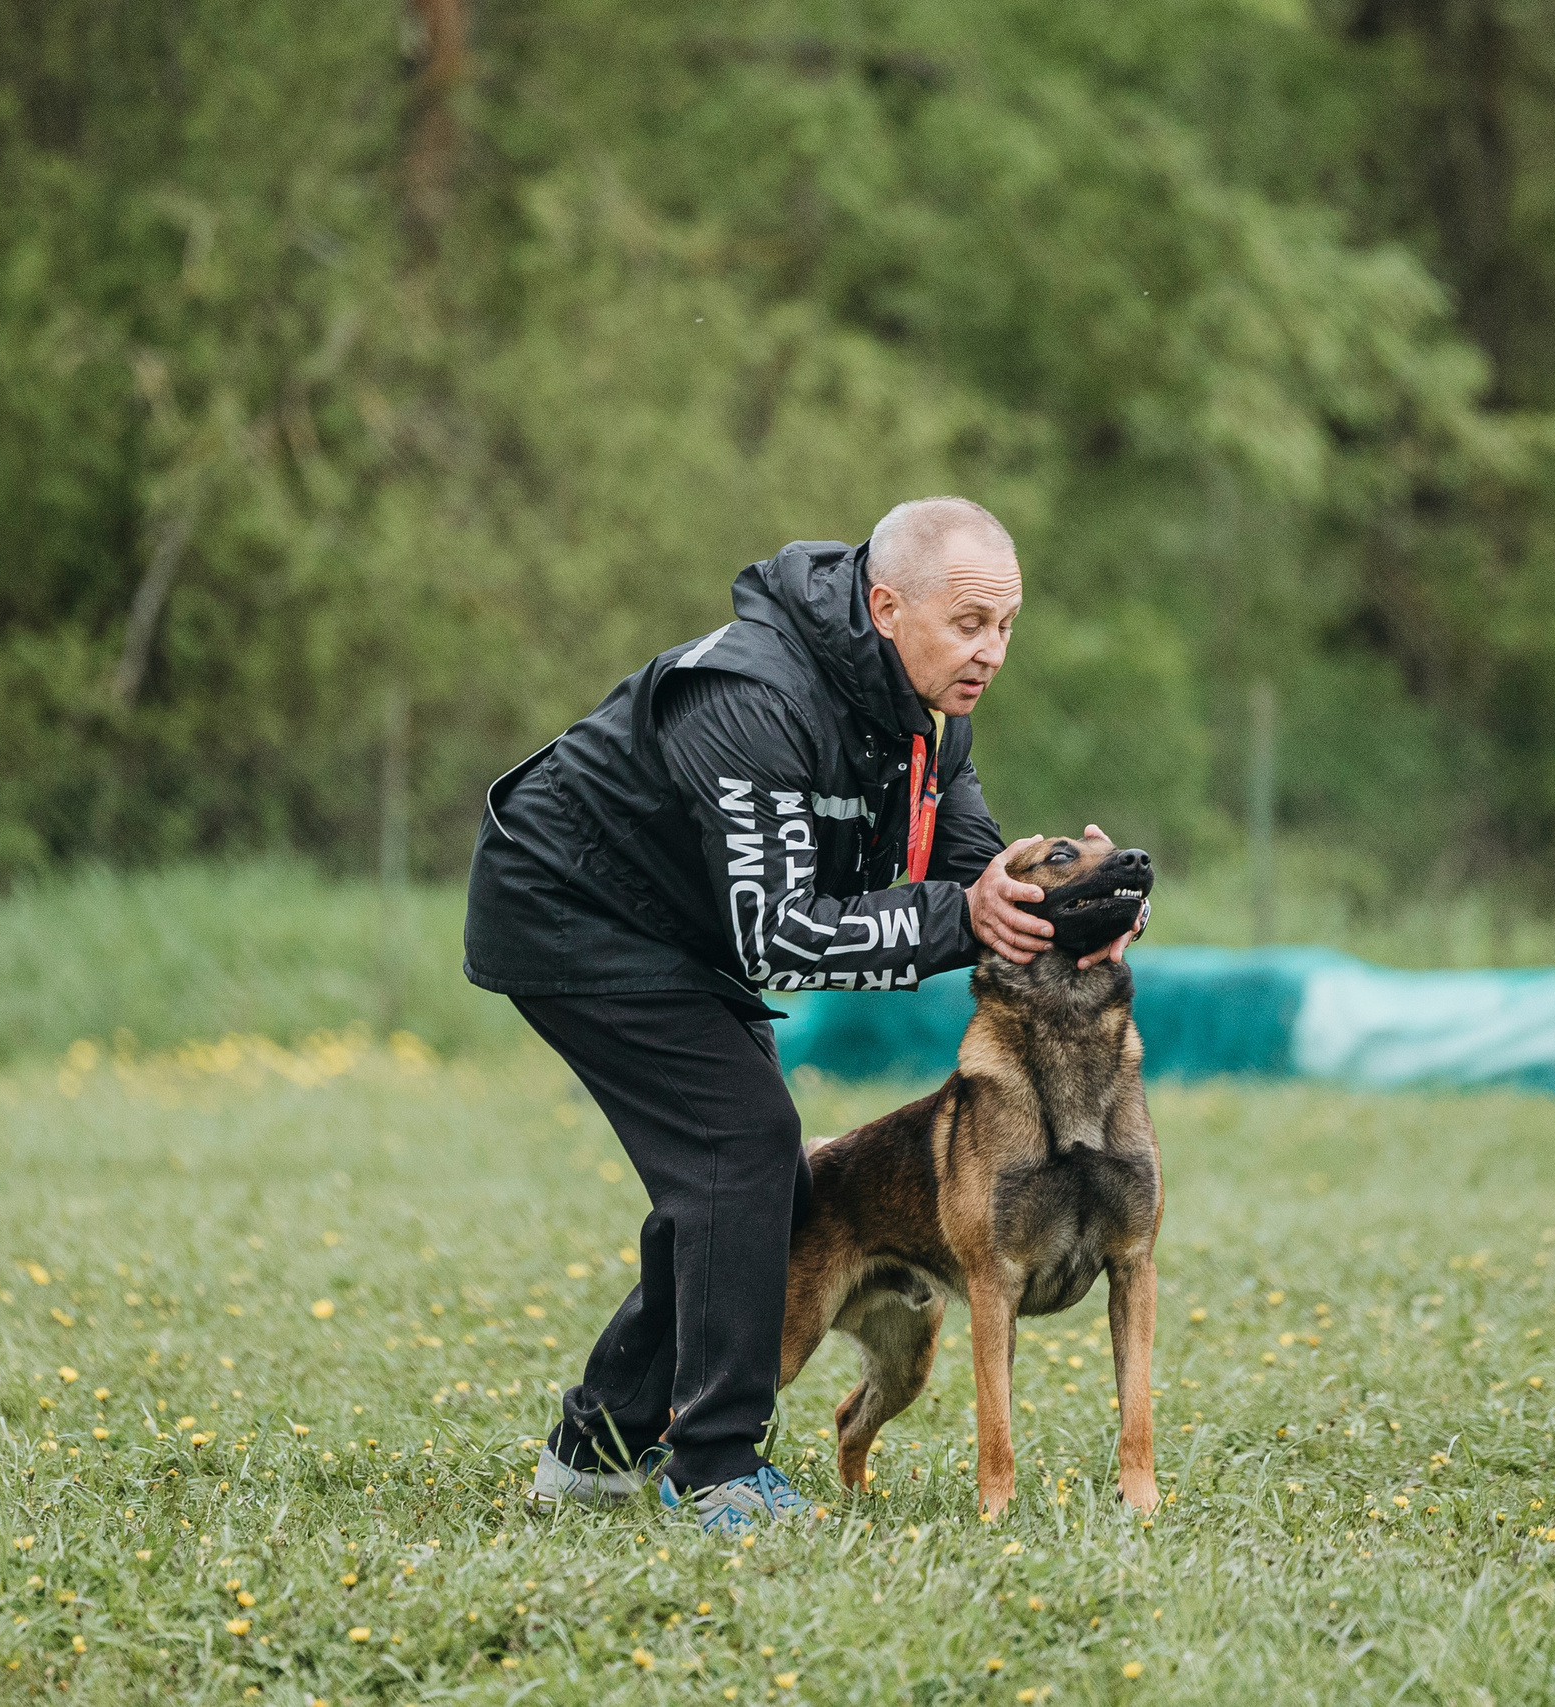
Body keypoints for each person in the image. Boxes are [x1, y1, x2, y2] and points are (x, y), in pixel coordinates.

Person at [462, 496, 1141, 1533]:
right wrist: (964, 915)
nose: (991, 651)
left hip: (684, 927)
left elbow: (979, 879)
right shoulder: (752, 698)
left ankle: (595, 1451)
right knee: (741, 1143)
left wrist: (1074, 916)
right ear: (884, 606)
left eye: (1005, 624)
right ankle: (714, 1467)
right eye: (968, 623)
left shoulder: (930, 716)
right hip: (572, 907)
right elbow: (779, 937)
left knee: (753, 1177)